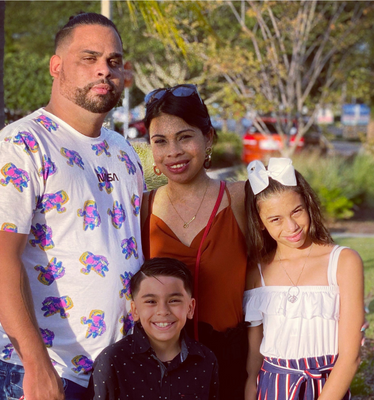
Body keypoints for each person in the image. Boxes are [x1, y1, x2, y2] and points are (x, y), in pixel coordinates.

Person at [0, 12, 144, 400]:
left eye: (113, 62)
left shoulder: (121, 150)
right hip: (37, 370)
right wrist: (36, 365)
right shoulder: (20, 147)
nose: (104, 70)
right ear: (56, 66)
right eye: (89, 58)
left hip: (111, 369)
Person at [141, 84, 248, 398]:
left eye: (185, 137)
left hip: (230, 366)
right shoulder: (141, 207)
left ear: (208, 137)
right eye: (160, 141)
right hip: (160, 371)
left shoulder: (241, 199)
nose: (172, 151)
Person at [243, 158, 364, 400]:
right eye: (275, 219)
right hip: (271, 388)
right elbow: (255, 355)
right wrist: (250, 388)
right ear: (260, 223)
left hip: (328, 388)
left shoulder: (343, 262)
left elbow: (351, 356)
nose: (291, 226)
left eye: (296, 211)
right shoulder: (257, 272)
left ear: (308, 205)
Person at [91, 257, 219, 399]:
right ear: (135, 310)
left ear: (190, 308)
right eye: (151, 301)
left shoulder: (206, 360)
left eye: (174, 300)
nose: (163, 311)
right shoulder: (112, 361)